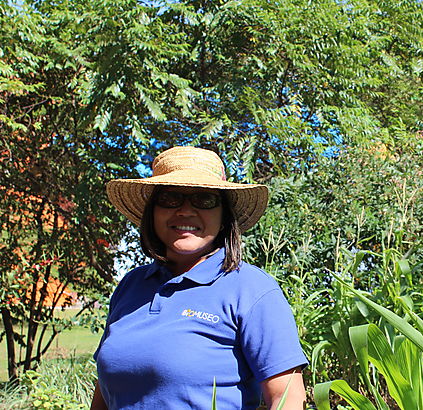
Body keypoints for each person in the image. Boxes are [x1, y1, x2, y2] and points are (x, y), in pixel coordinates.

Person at [91, 146, 308, 409]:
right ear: (153, 212)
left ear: (224, 216)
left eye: (204, 200)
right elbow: (104, 393)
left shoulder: (251, 290)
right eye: (171, 198)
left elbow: (288, 399)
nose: (185, 211)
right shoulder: (131, 286)